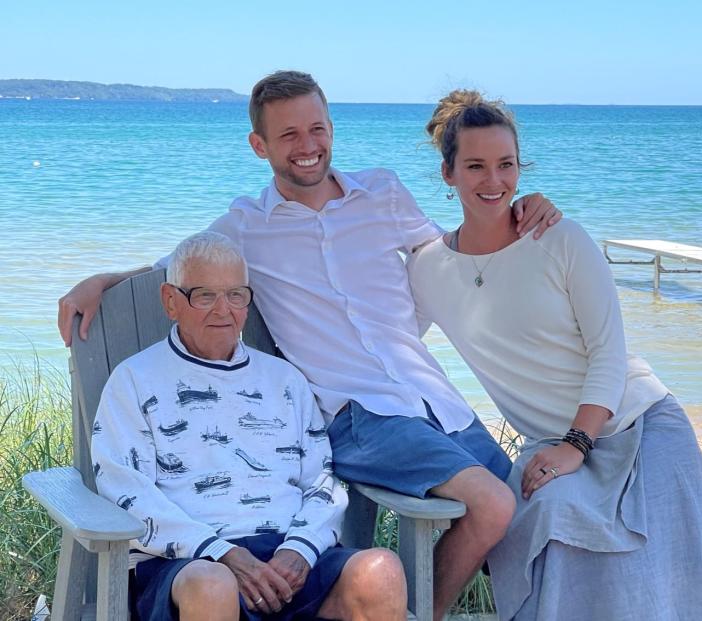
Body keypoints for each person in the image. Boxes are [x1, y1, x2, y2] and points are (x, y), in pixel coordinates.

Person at [58, 70, 562, 619]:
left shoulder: (383, 193)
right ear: (260, 146)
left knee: (536, 509)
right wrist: (102, 281)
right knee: (492, 506)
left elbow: (454, 257)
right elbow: (179, 270)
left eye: (316, 129)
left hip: (432, 398)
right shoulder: (247, 225)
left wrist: (517, 212)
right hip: (357, 414)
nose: (308, 146)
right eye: (289, 134)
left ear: (331, 128)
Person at [406, 90, 702, 620]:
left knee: (657, 565)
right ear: (447, 174)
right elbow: (392, 343)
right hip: (550, 443)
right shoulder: (426, 268)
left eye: (506, 165)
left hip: (640, 423)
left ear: (521, 168)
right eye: (475, 166)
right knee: (556, 520)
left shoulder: (560, 239)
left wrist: (576, 444)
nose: (493, 181)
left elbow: (609, 352)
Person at [91, 231, 407, 621]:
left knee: (380, 573)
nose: (224, 311)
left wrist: (301, 548)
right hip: (188, 563)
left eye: (236, 295)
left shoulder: (284, 380)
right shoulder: (134, 381)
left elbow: (322, 479)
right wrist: (221, 552)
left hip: (287, 557)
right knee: (213, 585)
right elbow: (125, 489)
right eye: (204, 295)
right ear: (170, 301)